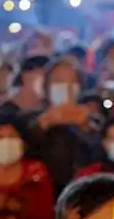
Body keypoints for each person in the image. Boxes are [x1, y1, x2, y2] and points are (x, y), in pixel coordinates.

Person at [30, 60, 97, 193]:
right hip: (42, 192)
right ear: (46, 86)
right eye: (58, 81)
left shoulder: (94, 121)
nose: (66, 87)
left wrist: (87, 128)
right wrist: (43, 124)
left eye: (72, 81)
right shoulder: (30, 120)